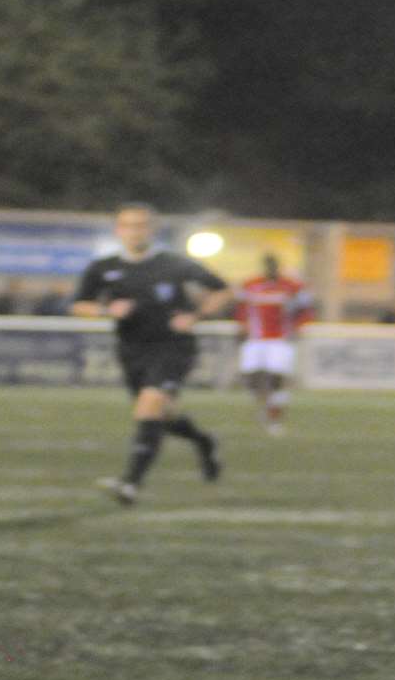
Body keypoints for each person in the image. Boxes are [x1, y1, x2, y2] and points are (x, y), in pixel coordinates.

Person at [70, 203, 230, 505]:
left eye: (141, 225)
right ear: (118, 231)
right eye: (128, 225)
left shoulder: (173, 263)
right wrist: (106, 309)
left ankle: (130, 483)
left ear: (153, 230)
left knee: (149, 406)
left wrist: (196, 315)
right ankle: (204, 441)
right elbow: (79, 305)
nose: (135, 231)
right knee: (161, 416)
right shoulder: (103, 268)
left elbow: (222, 290)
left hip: (173, 347)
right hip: (132, 351)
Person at [232, 253, 313, 435]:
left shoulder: (293, 287)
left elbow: (307, 309)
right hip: (255, 339)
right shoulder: (250, 285)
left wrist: (299, 327)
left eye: (274, 265)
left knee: (276, 378)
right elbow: (240, 308)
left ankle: (275, 419)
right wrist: (242, 326)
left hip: (280, 339)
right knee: (252, 378)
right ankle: (264, 406)